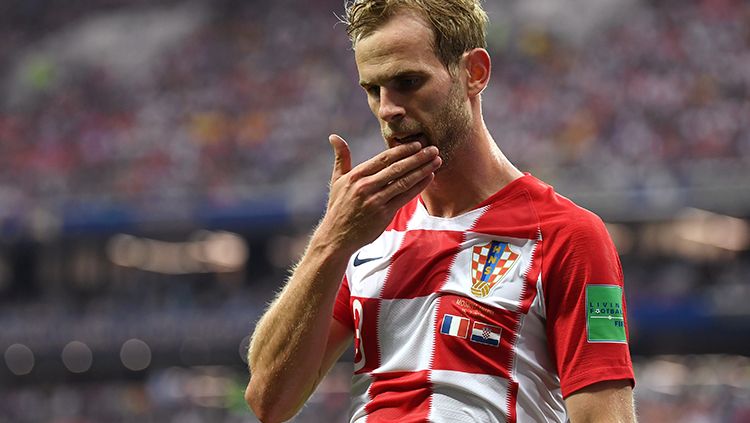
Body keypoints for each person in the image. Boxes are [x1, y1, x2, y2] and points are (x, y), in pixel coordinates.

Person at [245, 0, 636, 421]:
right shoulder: (363, 230)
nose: (388, 109)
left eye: (408, 82)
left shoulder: (569, 235)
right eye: (373, 90)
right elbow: (269, 399)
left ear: (475, 73)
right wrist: (331, 241)